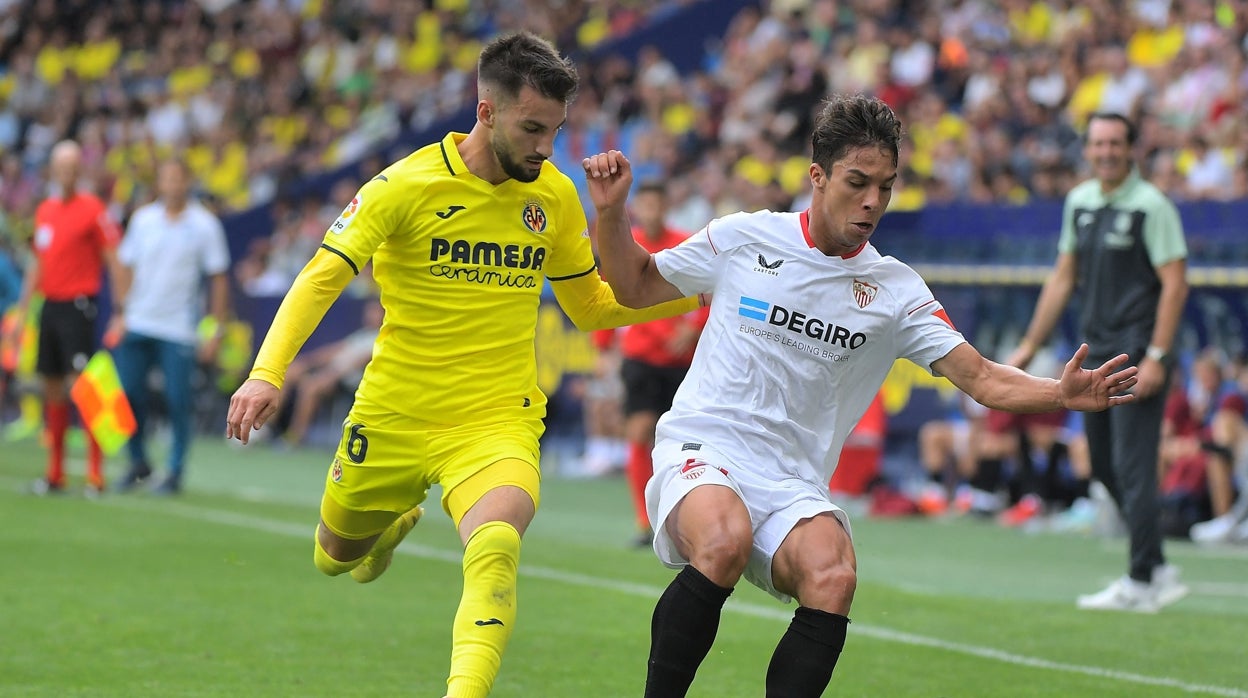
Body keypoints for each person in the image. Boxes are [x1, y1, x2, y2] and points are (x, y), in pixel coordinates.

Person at [583, 94, 1138, 697]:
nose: (873, 200)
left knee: (833, 575)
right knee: (723, 542)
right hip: (705, 445)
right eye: (858, 182)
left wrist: (1059, 392)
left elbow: (981, 377)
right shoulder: (744, 238)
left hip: (792, 478)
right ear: (817, 178)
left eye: (886, 186)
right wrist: (611, 215)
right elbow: (634, 285)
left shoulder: (895, 290)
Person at [225, 31, 702, 698]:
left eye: (556, 130)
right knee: (335, 556)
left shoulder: (556, 196)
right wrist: (267, 371)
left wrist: (694, 285)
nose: (545, 146)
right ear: (485, 112)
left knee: (498, 541)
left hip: (495, 417)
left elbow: (592, 306)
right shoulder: (404, 184)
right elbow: (321, 276)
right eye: (533, 128)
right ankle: (387, 529)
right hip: (393, 413)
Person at [1008, 112, 1191, 613]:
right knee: (1106, 468)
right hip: (1096, 356)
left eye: (1115, 143)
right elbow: (1063, 277)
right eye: (1098, 143)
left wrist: (1156, 355)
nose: (1106, 151)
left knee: (1132, 469)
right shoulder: (1080, 202)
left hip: (1136, 354)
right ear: (1086, 151)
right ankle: (1154, 567)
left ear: (1131, 149)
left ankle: (1141, 581)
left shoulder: (1152, 207)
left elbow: (1175, 284)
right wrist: (1028, 345)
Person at [7, 140, 124, 495]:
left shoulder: (92, 209)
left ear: (80, 170)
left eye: (73, 166)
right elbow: (37, 264)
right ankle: (55, 473)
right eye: (61, 166)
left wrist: (120, 309)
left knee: (83, 387)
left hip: (78, 306)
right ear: (53, 171)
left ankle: (95, 474)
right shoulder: (46, 211)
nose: (67, 173)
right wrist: (24, 310)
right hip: (50, 306)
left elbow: (112, 258)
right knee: (52, 387)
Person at [110, 158, 231, 495]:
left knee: (178, 400)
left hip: (178, 327)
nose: (173, 186)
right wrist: (120, 311)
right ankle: (137, 462)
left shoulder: (205, 225)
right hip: (138, 320)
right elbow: (124, 266)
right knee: (128, 394)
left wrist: (215, 329)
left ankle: (175, 469)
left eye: (178, 179)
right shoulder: (144, 219)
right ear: (159, 183)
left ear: (187, 182)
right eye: (167, 179)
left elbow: (218, 278)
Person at [614, 181, 707, 546]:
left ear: (665, 206)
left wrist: (693, 328)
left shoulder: (685, 240)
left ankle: (684, 518)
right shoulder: (626, 245)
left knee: (686, 440)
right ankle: (644, 520)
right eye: (646, 205)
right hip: (641, 358)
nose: (652, 211)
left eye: (657, 204)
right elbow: (610, 290)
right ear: (637, 208)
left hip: (682, 358)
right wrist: (603, 345)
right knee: (640, 431)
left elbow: (710, 288)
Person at [272, 298, 382, 447]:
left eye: (375, 311)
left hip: (348, 382)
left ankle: (294, 437)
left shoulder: (383, 339)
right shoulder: (362, 334)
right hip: (330, 373)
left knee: (311, 387)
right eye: (369, 311)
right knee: (292, 371)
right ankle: (265, 427)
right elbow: (334, 351)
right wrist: (307, 362)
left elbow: (358, 363)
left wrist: (330, 376)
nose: (370, 315)